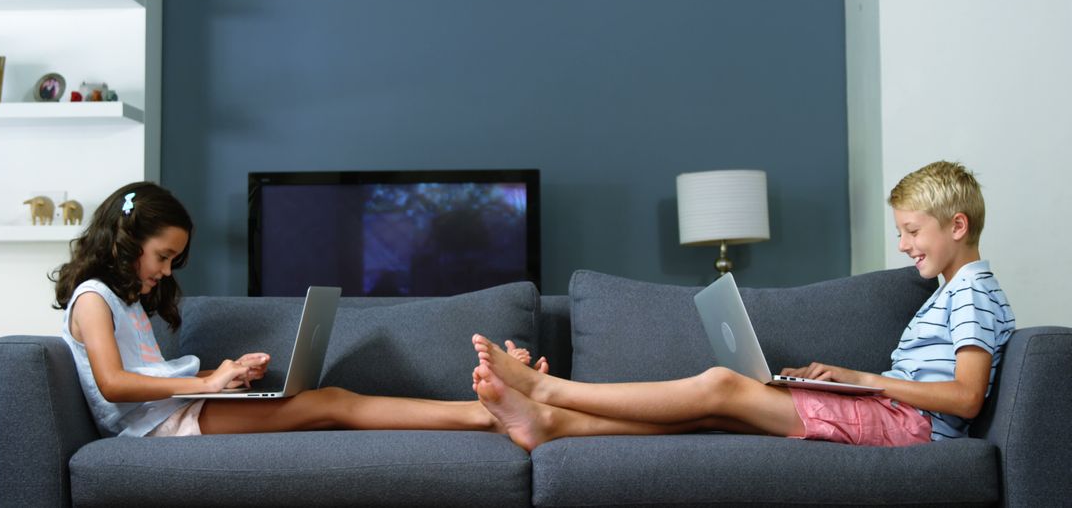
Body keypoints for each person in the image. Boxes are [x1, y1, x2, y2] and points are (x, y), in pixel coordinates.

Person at [471, 160, 1015, 451]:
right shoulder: (953, 291)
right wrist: (852, 381)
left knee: (719, 385)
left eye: (912, 231)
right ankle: (551, 423)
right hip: (895, 415)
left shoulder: (971, 291)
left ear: (958, 226)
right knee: (713, 410)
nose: (903, 246)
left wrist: (864, 381)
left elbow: (965, 398)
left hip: (910, 428)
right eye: (902, 232)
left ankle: (547, 389)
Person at [52, 181, 546, 438]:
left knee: (328, 399)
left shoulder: (124, 299)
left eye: (173, 261)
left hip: (169, 411)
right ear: (125, 239)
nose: (165, 271)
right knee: (332, 403)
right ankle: (484, 415)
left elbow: (145, 374)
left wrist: (225, 374)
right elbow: (114, 383)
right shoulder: (94, 298)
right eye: (162, 257)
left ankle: (488, 411)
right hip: (155, 428)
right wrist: (204, 383)